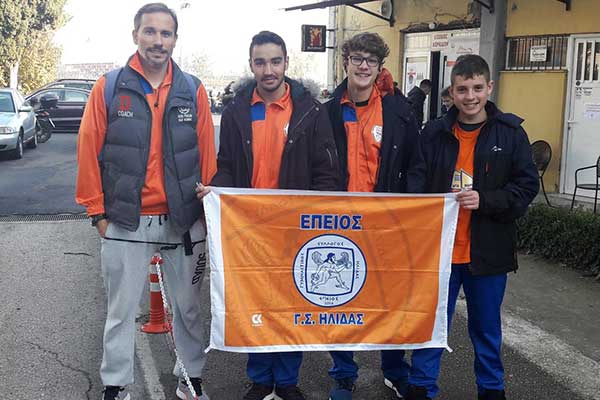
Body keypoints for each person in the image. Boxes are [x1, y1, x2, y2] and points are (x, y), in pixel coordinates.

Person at [75, 3, 216, 400]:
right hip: (125, 220)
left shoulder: (193, 89)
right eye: (150, 31)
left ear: (175, 39)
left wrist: (205, 212)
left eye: (165, 33)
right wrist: (97, 212)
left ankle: (190, 378)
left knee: (188, 310)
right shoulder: (109, 87)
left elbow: (207, 156)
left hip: (182, 221)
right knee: (120, 311)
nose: (158, 40)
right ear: (135, 34)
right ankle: (116, 384)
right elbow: (88, 148)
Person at [384, 54, 539, 400]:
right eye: (463, 89)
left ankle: (491, 389)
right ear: (451, 93)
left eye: (477, 88)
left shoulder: (510, 134)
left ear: (489, 88)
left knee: (486, 328)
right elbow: (415, 179)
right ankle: (422, 387)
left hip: (488, 251)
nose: (470, 97)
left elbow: (526, 187)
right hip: (438, 251)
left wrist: (486, 199)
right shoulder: (433, 133)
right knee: (431, 323)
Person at [198, 30, 340, 400]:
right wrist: (217, 190)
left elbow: (326, 171)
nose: (268, 70)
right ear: (251, 65)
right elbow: (227, 165)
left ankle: (287, 381)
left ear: (286, 63)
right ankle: (261, 379)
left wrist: (316, 214)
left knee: (292, 304)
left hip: (295, 229)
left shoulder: (311, 111)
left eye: (275, 61)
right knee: (256, 304)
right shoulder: (237, 111)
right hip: (250, 228)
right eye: (260, 62)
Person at [325, 32, 424, 400]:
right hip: (340, 224)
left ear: (380, 67)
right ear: (346, 63)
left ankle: (395, 371)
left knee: (389, 301)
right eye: (357, 58)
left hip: (385, 225)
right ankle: (343, 375)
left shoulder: (400, 112)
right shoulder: (327, 111)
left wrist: (408, 209)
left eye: (371, 60)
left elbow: (416, 165)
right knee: (339, 298)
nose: (364, 66)